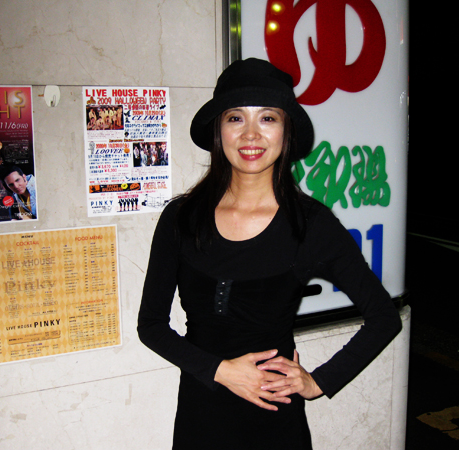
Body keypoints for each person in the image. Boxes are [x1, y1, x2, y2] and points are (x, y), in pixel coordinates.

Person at [137, 58, 402, 450]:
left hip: (275, 421)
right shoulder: (181, 217)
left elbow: (383, 317)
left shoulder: (310, 225)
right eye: (235, 118)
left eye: (267, 118)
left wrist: (318, 381)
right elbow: (151, 325)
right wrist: (222, 371)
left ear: (285, 130)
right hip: (201, 416)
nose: (250, 134)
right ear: (218, 129)